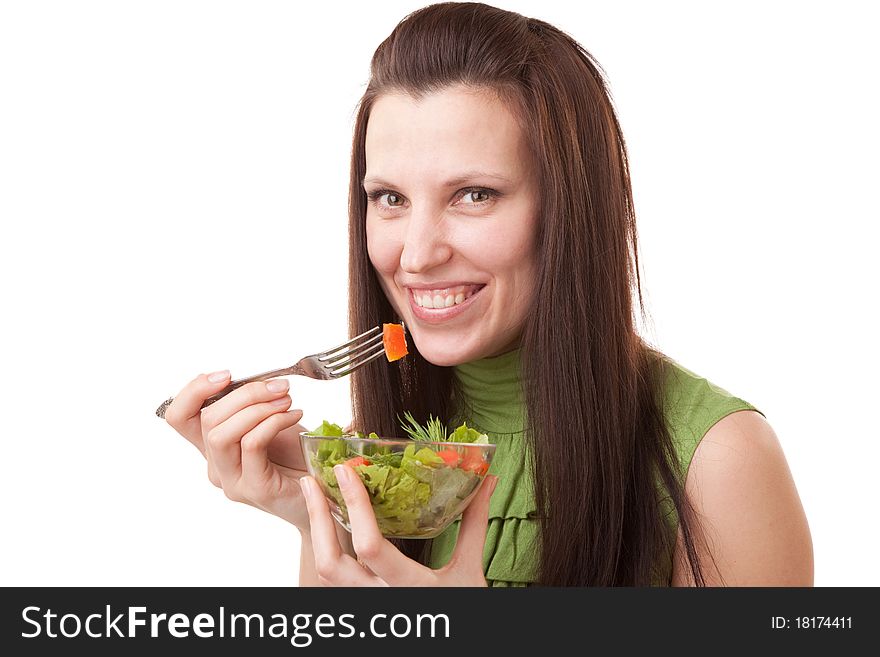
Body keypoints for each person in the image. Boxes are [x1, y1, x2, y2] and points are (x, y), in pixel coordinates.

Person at [163, 2, 813, 586]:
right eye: (389, 198)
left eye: (473, 195)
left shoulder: (721, 463)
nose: (415, 254)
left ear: (570, 210)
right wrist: (314, 514)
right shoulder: (378, 463)